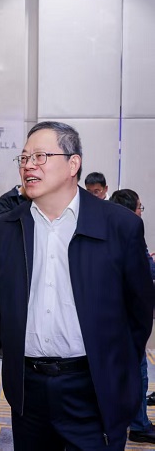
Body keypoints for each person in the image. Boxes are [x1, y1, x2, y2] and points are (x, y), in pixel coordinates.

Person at [0, 121, 155, 450]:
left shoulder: (119, 226)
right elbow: (1, 302)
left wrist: (114, 369)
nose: (28, 165)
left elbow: (139, 313)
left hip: (93, 388)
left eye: (40, 156)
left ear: (73, 164)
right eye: (24, 158)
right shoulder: (7, 228)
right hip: (29, 389)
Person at [109, 189, 155, 445]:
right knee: (138, 373)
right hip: (128, 319)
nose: (141, 212)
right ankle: (139, 425)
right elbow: (143, 271)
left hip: (110, 318)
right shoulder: (131, 231)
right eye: (139, 207)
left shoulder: (106, 229)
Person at [0, 183, 29, 360]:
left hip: (29, 258)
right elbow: (3, 227)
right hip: (9, 259)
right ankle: (3, 344)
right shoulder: (7, 199)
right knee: (6, 304)